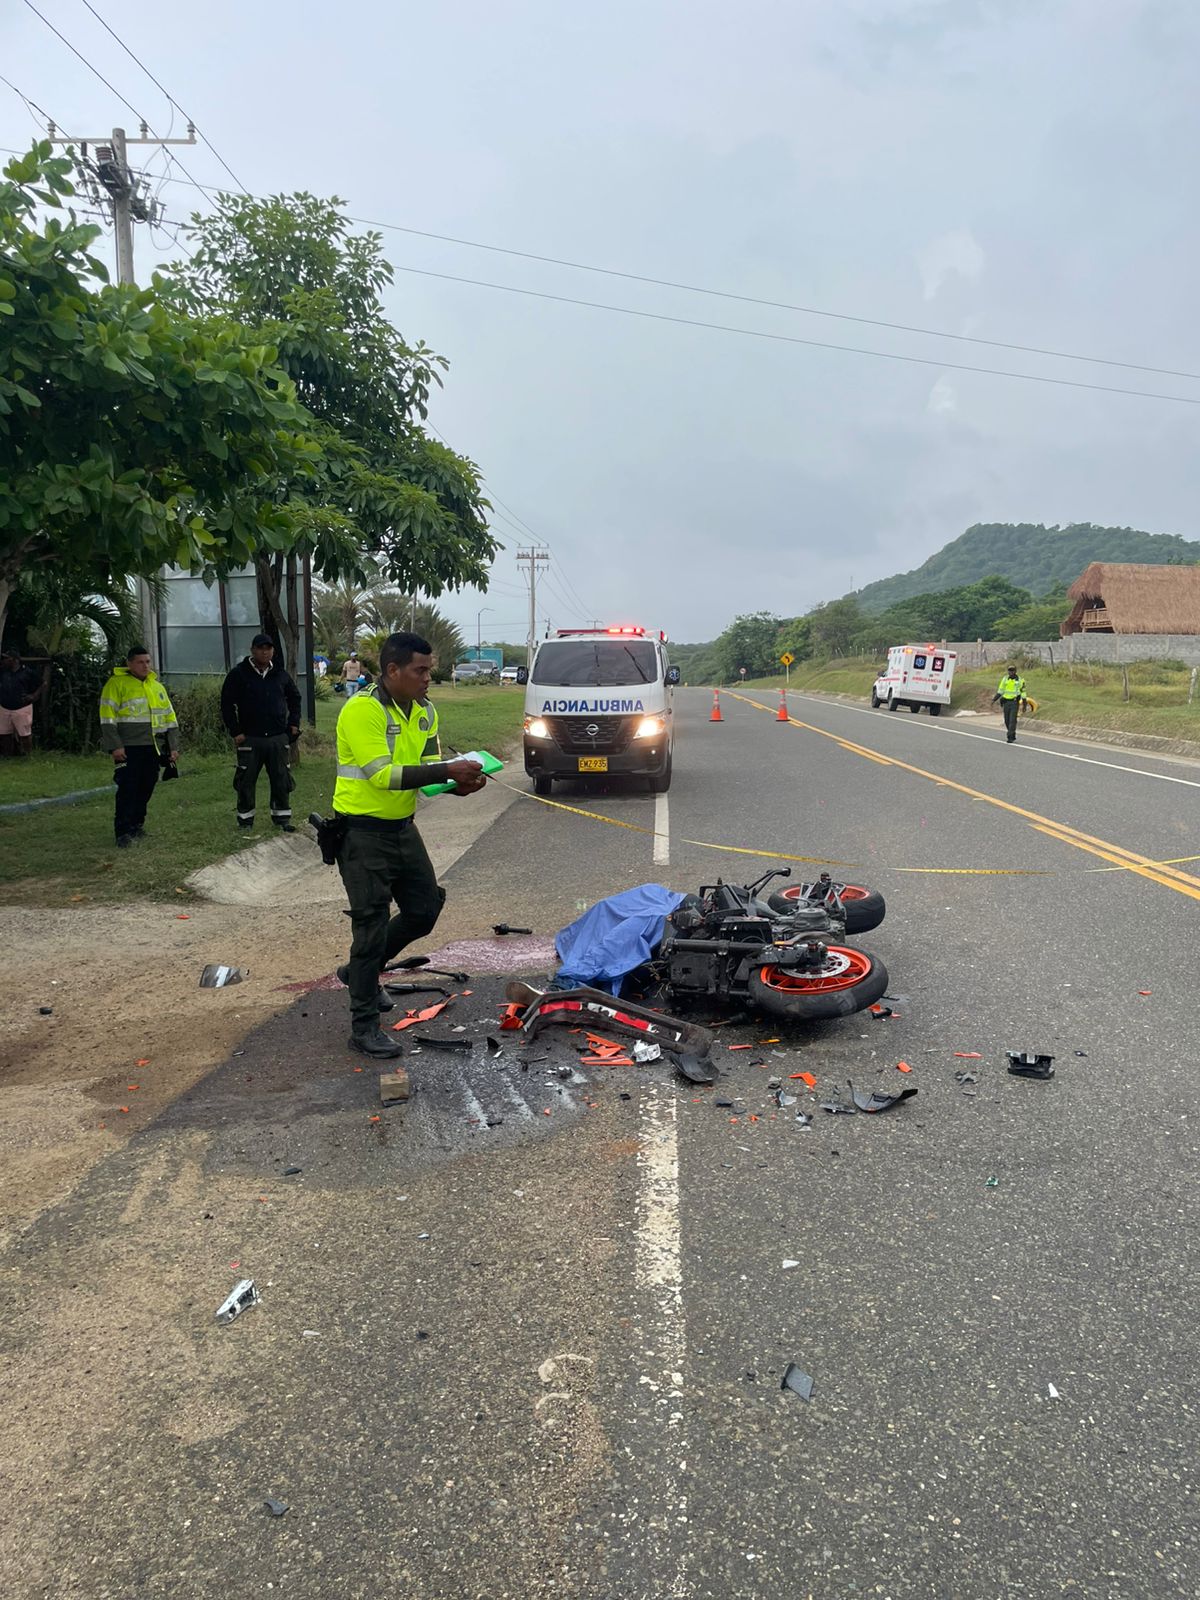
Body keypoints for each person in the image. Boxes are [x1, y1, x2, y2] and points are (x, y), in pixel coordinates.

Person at [332, 631, 486, 1059]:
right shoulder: (361, 710)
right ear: (392, 670)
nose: (427, 678)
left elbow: (426, 768)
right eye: (420, 670)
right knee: (370, 927)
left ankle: (359, 974)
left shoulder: (425, 711)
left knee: (424, 909)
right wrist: (447, 771)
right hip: (361, 832)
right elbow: (382, 774)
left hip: (401, 827)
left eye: (429, 670)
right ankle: (364, 1026)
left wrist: (457, 785)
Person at [220, 633, 302, 832]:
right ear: (252, 650)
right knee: (245, 781)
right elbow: (226, 704)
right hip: (250, 738)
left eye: (269, 648)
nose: (265, 652)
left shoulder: (280, 674)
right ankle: (245, 821)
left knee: (281, 779)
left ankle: (282, 819)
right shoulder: (239, 674)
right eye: (261, 648)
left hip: (277, 738)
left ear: (273, 651)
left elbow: (295, 698)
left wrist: (293, 724)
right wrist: (236, 731)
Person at [98, 645, 179, 847]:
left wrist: (173, 747)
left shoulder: (157, 686)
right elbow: (107, 718)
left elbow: (170, 719)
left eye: (148, 662)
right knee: (128, 788)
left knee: (147, 786)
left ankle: (137, 826)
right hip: (128, 747)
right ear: (129, 663)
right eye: (140, 662)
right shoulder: (116, 684)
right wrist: (115, 746)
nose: (145, 666)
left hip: (153, 746)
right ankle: (123, 832)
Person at [0, 649, 42, 757]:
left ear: (14, 660)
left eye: (6, 658)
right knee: (4, 733)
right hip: (4, 706)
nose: (4, 660)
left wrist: (34, 695)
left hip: (22, 707)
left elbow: (42, 683)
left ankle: (28, 755)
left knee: (24, 734)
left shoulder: (27, 672)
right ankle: (7, 755)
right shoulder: (3, 671)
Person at [992, 665, 1027, 744]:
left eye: (1012, 670)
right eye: (1009, 670)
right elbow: (1000, 691)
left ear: (1015, 671)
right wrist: (994, 699)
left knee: (1012, 720)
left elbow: (1023, 693)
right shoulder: (1005, 679)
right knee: (1007, 720)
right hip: (1006, 702)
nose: (1011, 672)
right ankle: (1012, 733)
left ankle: (1010, 737)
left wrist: (1024, 705)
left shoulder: (1020, 681)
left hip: (1014, 702)